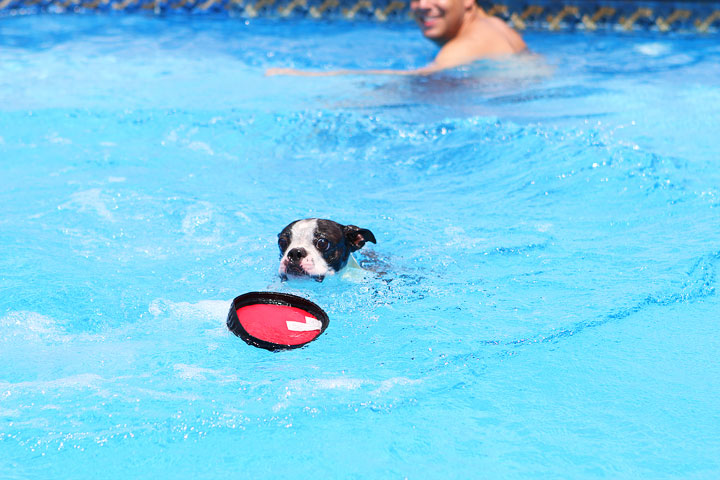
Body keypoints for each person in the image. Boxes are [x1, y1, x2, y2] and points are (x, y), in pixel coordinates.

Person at [266, 0, 527, 76]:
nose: (423, 5)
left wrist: (306, 77)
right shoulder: (493, 25)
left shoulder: (462, 49)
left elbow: (413, 80)